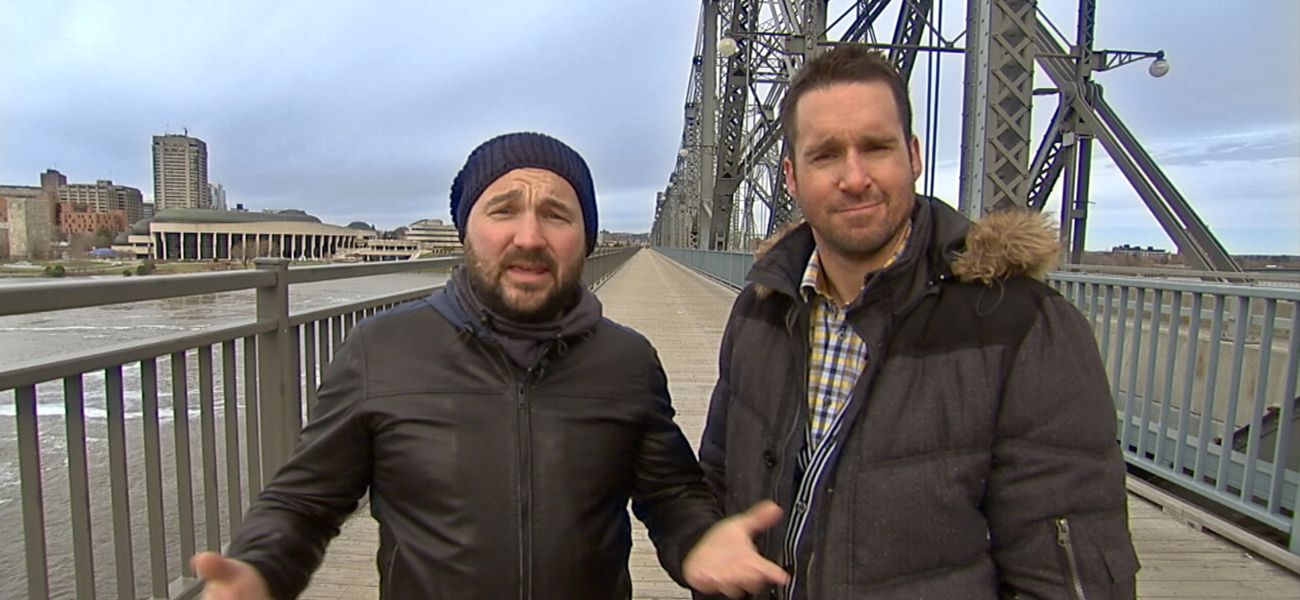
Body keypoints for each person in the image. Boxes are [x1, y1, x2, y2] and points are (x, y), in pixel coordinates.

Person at [192, 132, 786, 599]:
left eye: (556, 214)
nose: (529, 236)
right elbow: (304, 503)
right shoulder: (380, 350)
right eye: (503, 210)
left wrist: (699, 540)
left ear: (586, 239)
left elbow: (671, 493)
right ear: (466, 231)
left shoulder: (627, 361)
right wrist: (261, 569)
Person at [697, 45, 1140, 599]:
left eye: (876, 147)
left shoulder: (1022, 326)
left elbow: (1070, 573)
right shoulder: (761, 309)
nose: (854, 177)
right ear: (791, 176)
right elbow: (718, 484)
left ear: (913, 155)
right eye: (826, 155)